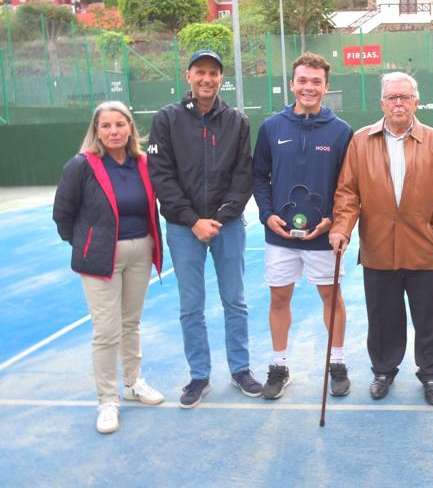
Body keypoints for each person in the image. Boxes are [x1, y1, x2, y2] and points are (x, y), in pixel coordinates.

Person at [329, 72, 433, 406]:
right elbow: (347, 193)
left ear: (416, 101)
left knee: (430, 318)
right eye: (392, 97)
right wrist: (342, 228)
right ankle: (383, 371)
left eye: (404, 97)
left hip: (424, 248)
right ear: (382, 103)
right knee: (383, 317)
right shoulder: (360, 141)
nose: (398, 103)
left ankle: (431, 375)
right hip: (377, 247)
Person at [147, 49, 258, 408]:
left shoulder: (237, 121)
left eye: (213, 73)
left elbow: (244, 177)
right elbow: (161, 176)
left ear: (220, 79)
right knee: (191, 306)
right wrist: (192, 220)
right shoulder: (166, 119)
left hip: (227, 227)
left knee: (235, 302)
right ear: (188, 76)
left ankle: (241, 370)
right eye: (200, 72)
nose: (207, 78)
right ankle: (199, 376)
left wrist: (221, 218)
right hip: (183, 229)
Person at [53, 101, 164, 434]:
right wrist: (87, 245)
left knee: (131, 323)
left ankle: (132, 383)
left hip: (141, 250)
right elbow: (63, 213)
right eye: (106, 126)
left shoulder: (144, 163)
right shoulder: (81, 166)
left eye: (120, 124)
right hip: (101, 257)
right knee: (106, 331)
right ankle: (107, 400)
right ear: (96, 130)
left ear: (130, 127)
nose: (114, 131)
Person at [253, 52, 353, 400]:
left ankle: (336, 363)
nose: (309, 87)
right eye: (303, 80)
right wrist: (267, 215)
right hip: (279, 236)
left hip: (324, 236)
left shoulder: (341, 132)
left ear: (326, 86)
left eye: (316, 81)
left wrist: (335, 221)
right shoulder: (271, 127)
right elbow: (259, 177)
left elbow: (348, 185)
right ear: (292, 83)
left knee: (331, 296)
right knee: (279, 298)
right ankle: (279, 366)